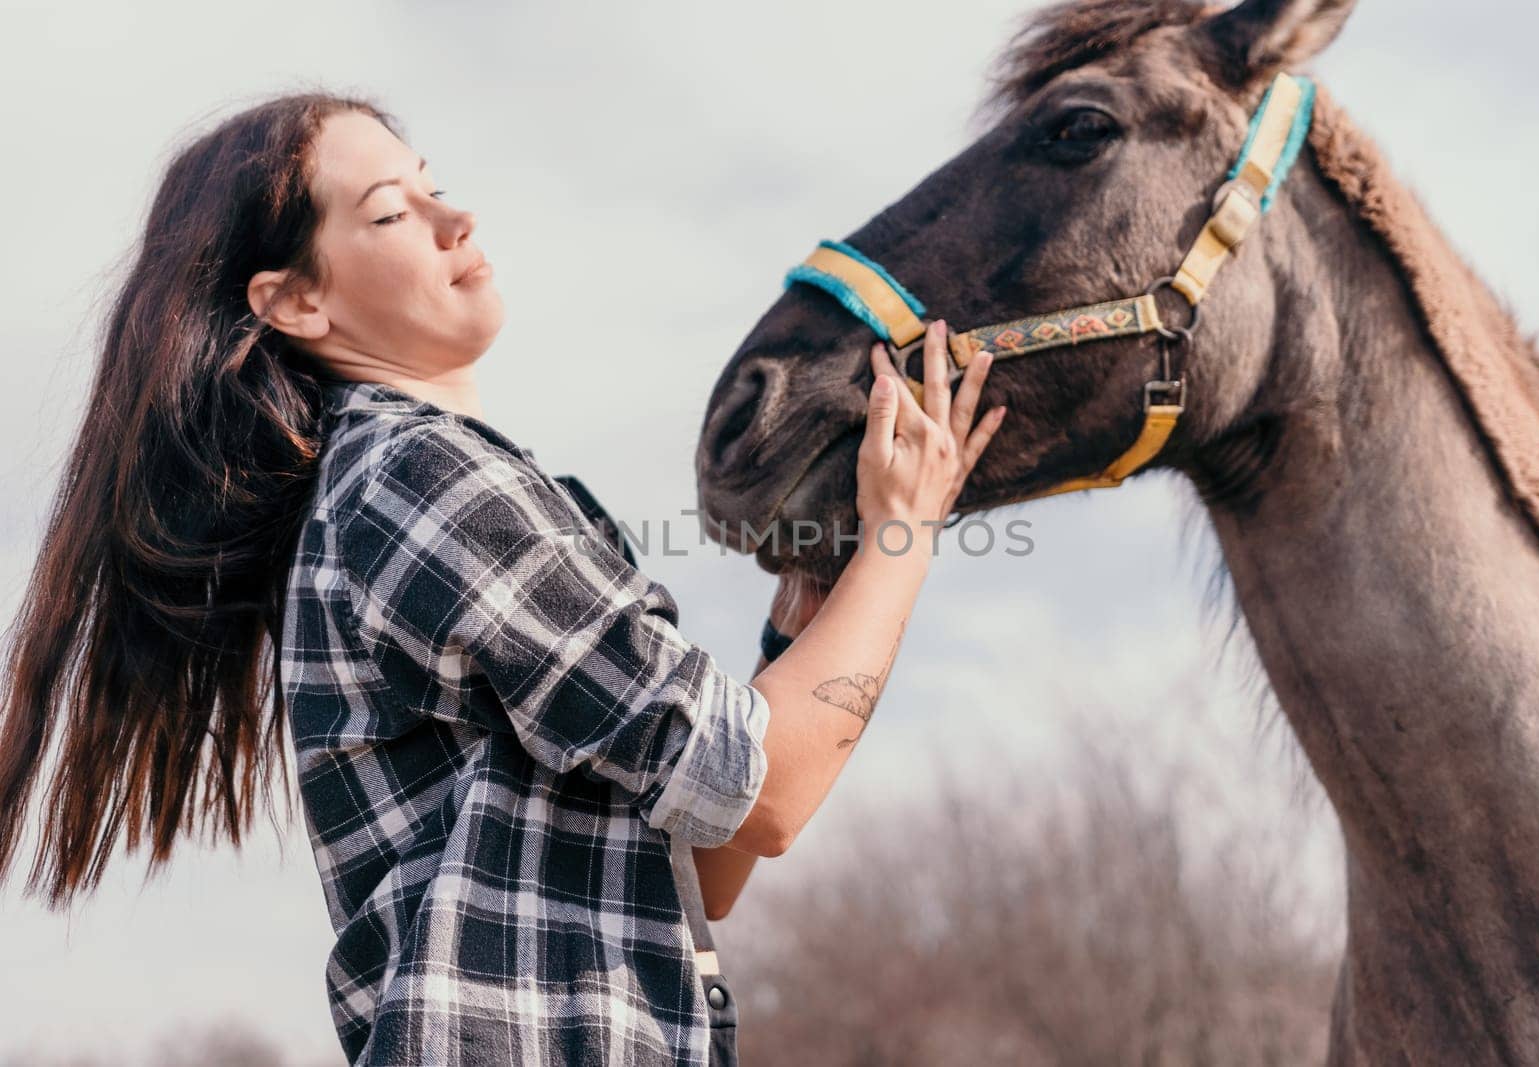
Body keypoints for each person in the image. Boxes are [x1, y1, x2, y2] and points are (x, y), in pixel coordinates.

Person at [0, 91, 1005, 1066]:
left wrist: (800, 625)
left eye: (433, 184)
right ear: (297, 300)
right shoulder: (419, 482)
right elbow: (768, 788)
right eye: (393, 210)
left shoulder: (407, 488)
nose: (455, 216)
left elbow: (707, 858)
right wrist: (903, 530)